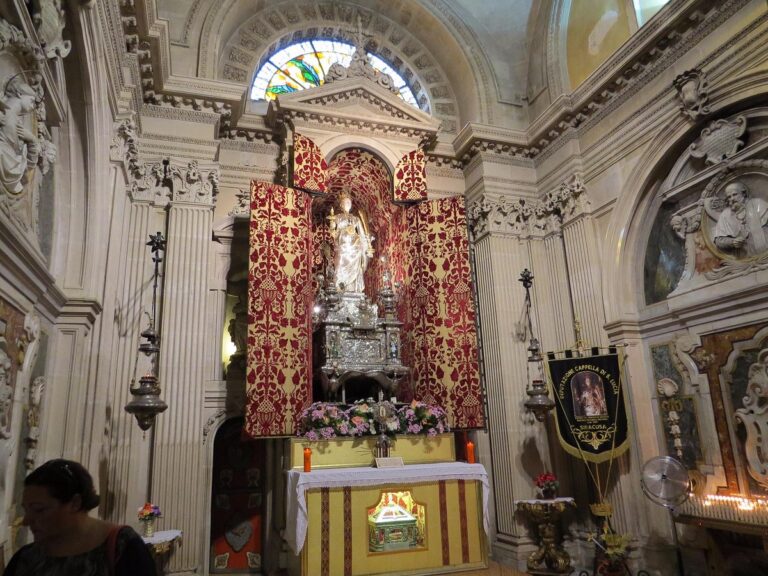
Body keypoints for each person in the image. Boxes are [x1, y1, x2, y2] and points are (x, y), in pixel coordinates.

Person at [3, 459, 157, 576]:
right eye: (26, 510)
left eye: (39, 509)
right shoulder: (25, 558)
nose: (26, 521)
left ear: (75, 503)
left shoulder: (123, 548)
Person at [0, 73, 40, 197]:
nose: (34, 106)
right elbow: (18, 168)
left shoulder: (16, 122)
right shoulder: (8, 118)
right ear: (19, 94)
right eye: (32, 101)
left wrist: (32, 140)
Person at [329, 192, 373, 293]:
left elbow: (363, 234)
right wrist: (332, 226)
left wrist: (367, 247)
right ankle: (340, 288)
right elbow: (333, 233)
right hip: (342, 246)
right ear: (341, 204)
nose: (348, 204)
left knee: (357, 267)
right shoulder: (337, 217)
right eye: (345, 202)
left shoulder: (356, 219)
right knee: (340, 264)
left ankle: (354, 289)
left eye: (349, 202)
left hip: (355, 247)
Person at [713, 181, 768, 256]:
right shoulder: (725, 215)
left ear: (744, 193)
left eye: (735, 194)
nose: (732, 198)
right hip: (744, 257)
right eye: (729, 197)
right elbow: (719, 240)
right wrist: (732, 242)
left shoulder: (758, 204)